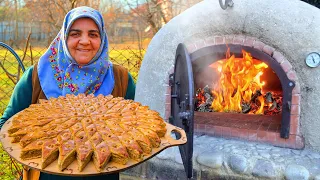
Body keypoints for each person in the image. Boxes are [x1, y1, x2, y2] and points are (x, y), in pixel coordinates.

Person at [0, 6, 135, 180]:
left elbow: (136, 125)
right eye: (75, 34)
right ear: (64, 37)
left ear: (102, 39)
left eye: (93, 34)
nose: (85, 41)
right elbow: (7, 124)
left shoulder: (120, 78)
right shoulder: (37, 76)